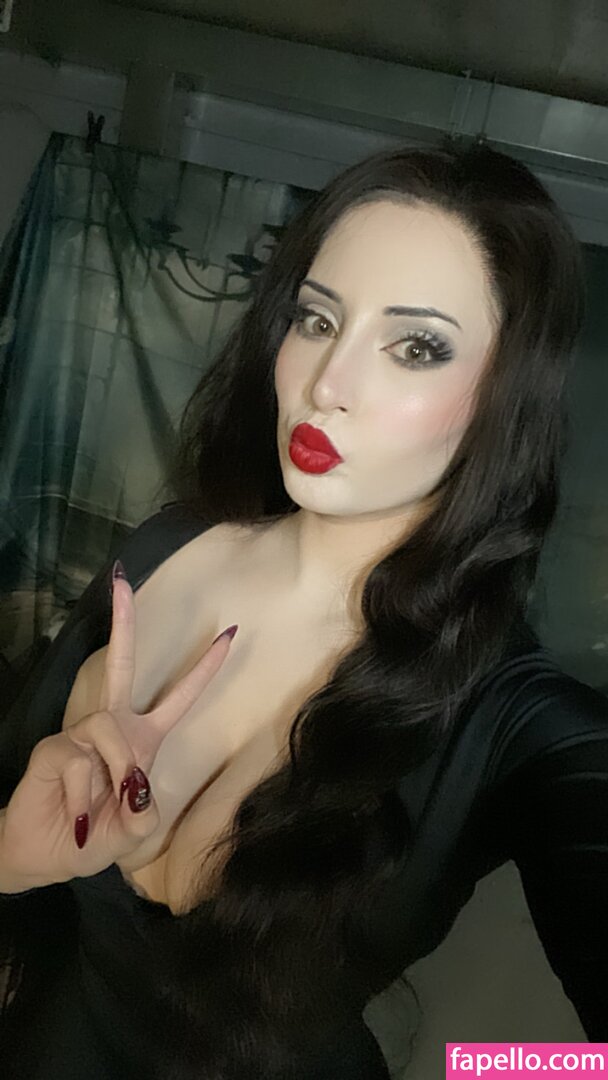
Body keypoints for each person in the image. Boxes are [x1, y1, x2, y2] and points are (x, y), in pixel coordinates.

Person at [0, 137, 607, 1079]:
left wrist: (495, 1070)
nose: (327, 385)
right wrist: (14, 858)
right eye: (318, 320)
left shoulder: (514, 723)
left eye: (415, 348)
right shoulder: (165, 550)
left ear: (507, 397)